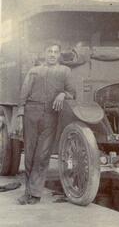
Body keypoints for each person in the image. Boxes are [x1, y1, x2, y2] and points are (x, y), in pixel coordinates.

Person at [16, 41, 76, 205]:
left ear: (59, 55)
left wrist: (63, 94)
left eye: (55, 52)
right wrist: (20, 114)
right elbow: (23, 93)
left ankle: (34, 194)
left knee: (42, 156)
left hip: (51, 115)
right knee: (29, 155)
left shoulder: (65, 71)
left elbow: (72, 92)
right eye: (49, 51)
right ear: (44, 53)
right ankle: (28, 192)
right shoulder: (34, 71)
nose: (52, 54)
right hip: (31, 113)